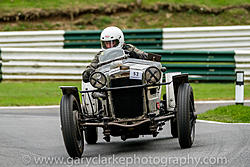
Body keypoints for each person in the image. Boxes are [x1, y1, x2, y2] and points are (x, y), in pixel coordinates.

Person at [82, 26, 149, 83]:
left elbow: (146, 57)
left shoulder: (129, 48)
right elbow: (88, 71)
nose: (109, 46)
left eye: (112, 42)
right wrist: (88, 72)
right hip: (108, 81)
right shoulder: (100, 55)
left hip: (130, 78)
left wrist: (135, 55)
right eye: (106, 43)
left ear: (119, 41)